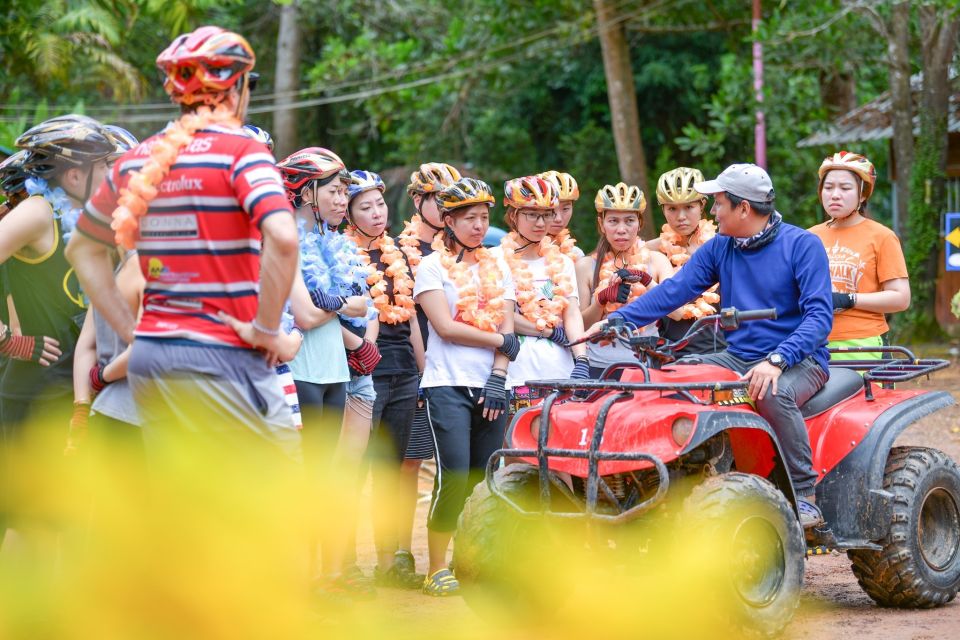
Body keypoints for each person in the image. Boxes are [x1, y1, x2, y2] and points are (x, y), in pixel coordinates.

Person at [68, 26, 301, 463]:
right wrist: (266, 331)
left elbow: (82, 248)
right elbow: (284, 238)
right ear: (235, 88)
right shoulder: (242, 150)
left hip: (151, 362)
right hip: (225, 353)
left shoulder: (139, 159)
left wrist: (131, 332)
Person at [585, 163, 833, 528]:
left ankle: (804, 493)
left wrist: (778, 360)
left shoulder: (802, 245)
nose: (712, 213)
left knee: (770, 392)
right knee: (674, 376)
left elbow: (819, 319)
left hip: (800, 359)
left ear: (743, 208)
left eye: (718, 204)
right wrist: (619, 319)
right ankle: (672, 482)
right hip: (738, 355)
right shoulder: (721, 247)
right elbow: (676, 290)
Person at [276, 147, 376, 597]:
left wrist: (328, 304)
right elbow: (302, 312)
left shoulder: (337, 243)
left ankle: (326, 575)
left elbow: (359, 304)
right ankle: (297, 578)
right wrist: (334, 305)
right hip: (298, 369)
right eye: (335, 191)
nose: (344, 200)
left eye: (344, 191)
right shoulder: (284, 239)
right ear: (306, 193)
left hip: (335, 370)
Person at [413, 177, 517, 596]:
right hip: (447, 383)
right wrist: (499, 343)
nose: (478, 226)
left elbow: (509, 324)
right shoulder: (431, 267)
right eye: (469, 218)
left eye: (484, 217)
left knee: (485, 477)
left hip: (492, 384)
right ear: (448, 221)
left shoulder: (499, 264)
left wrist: (498, 375)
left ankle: (471, 561)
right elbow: (444, 326)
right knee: (454, 475)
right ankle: (435, 566)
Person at [344, 170, 423, 589]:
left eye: (379, 204)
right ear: (349, 214)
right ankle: (346, 565)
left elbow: (410, 321)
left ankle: (390, 563)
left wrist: (421, 373)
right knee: (354, 471)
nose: (377, 213)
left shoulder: (402, 255)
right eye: (365, 207)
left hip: (403, 372)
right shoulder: (341, 254)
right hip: (361, 370)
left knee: (392, 472)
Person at [395, 162, 462, 580]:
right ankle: (401, 551)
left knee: (455, 463)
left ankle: (457, 553)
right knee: (408, 461)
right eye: (438, 199)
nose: (445, 207)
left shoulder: (461, 251)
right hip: (409, 364)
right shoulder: (400, 251)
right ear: (418, 201)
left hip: (453, 366)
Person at [496, 175, 589, 406]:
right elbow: (500, 317)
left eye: (546, 214)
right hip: (516, 374)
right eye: (532, 214)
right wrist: (546, 332)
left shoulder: (563, 262)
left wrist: (582, 360)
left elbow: (572, 313)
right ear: (513, 215)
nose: (541, 223)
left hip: (561, 372)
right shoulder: (494, 259)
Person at [808, 152, 909, 360]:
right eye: (828, 187)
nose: (835, 194)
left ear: (862, 195)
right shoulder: (808, 237)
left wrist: (849, 299)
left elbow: (901, 298)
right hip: (812, 341)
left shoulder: (882, 236)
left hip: (863, 343)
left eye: (845, 188)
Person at [574, 182, 673, 377]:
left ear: (640, 223)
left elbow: (674, 310)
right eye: (613, 221)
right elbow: (580, 327)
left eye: (629, 221)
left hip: (647, 367)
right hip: (600, 368)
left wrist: (646, 280)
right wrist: (601, 301)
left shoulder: (658, 261)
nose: (621, 229)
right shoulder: (585, 266)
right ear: (601, 224)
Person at [646, 167, 725, 356]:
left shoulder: (722, 245)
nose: (681, 217)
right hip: (669, 352)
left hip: (720, 351)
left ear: (702, 205)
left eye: (689, 207)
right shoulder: (652, 250)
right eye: (672, 208)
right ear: (663, 210)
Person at [538, 170, 584, 260]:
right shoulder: (513, 253)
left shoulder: (576, 254)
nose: (558, 218)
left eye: (565, 209)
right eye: (550, 210)